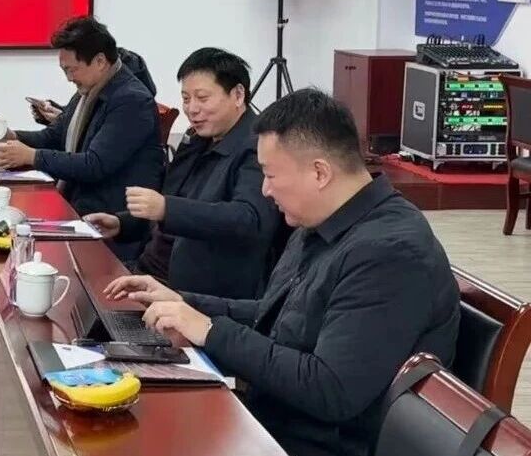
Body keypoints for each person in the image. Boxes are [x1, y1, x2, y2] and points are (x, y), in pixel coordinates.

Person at [102, 89, 460, 456]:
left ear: (320, 172)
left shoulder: (389, 254)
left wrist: (210, 331)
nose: (265, 190)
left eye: (271, 174)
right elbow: (277, 316)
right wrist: (183, 303)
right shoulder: (322, 220)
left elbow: (331, 390)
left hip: (312, 443)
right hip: (273, 417)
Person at [84, 48, 282, 299]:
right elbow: (172, 204)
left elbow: (248, 219)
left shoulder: (257, 149)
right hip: (148, 273)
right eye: (186, 99)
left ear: (238, 94)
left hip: (191, 294)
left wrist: (166, 208)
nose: (192, 109)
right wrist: (122, 223)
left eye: (202, 98)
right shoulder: (198, 140)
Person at [0, 17, 163, 260]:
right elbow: (55, 135)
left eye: (72, 69)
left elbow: (95, 164)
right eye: (64, 70)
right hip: (80, 204)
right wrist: (13, 136)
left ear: (100, 61)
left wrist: (32, 156)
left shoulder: (131, 101)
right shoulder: (89, 91)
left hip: (109, 220)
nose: (69, 78)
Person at [29, 46, 157, 125]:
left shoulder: (129, 99)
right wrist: (55, 113)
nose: (70, 78)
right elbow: (74, 113)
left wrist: (61, 121)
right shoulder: (92, 84)